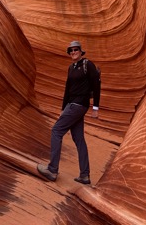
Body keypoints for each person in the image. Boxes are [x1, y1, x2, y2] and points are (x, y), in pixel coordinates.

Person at [37, 40, 101, 185]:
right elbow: (67, 89)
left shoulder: (87, 64)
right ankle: (85, 175)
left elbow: (96, 85)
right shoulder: (71, 68)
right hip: (72, 106)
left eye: (76, 49)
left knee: (56, 131)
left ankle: (52, 170)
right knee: (79, 139)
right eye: (71, 50)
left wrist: (95, 108)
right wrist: (62, 109)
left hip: (78, 105)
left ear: (81, 51)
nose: (73, 52)